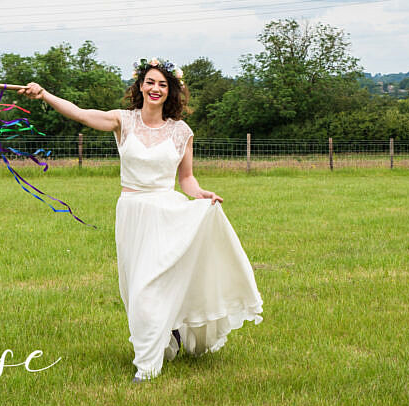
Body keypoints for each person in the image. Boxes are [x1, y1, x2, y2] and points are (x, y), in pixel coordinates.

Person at [20, 58, 263, 382]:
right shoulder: (123, 121)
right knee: (134, 291)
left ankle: (147, 368)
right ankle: (169, 332)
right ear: (140, 86)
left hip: (167, 212)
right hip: (132, 213)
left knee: (150, 286)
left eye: (162, 84)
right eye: (150, 82)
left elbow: (186, 179)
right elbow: (80, 113)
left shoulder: (181, 132)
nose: (155, 89)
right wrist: (45, 95)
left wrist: (202, 195)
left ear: (171, 91)